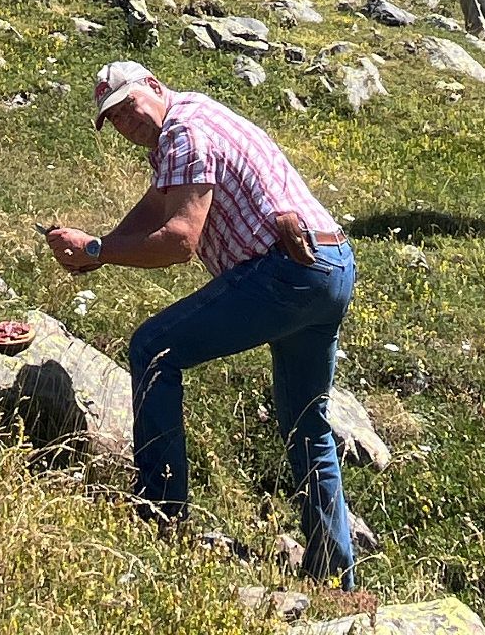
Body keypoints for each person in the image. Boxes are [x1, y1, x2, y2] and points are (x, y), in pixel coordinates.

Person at [44, 62, 358, 588]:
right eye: (113, 118)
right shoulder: (194, 117)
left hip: (284, 274)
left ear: (154, 86)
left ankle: (160, 516)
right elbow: (155, 205)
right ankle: (334, 577)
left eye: (128, 105)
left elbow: (179, 240)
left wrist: (97, 249)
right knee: (307, 424)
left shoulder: (184, 131)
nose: (125, 121)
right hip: (330, 266)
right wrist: (99, 253)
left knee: (153, 349)